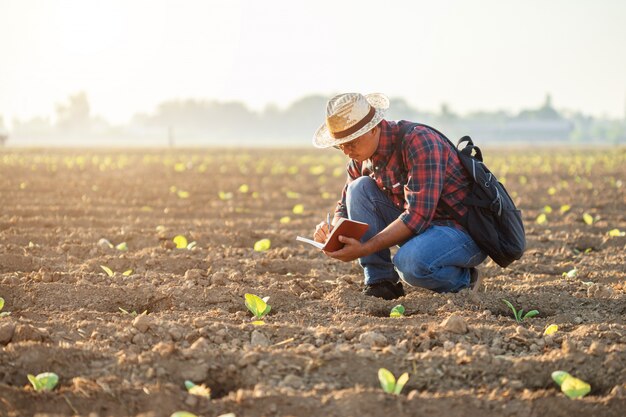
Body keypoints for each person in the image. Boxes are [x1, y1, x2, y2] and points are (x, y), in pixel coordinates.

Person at [311, 92, 487, 300]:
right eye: (341, 145)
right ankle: (381, 282)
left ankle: (463, 279)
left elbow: (417, 217)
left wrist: (365, 248)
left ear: (373, 128)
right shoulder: (359, 159)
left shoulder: (419, 142)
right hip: (423, 230)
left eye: (351, 143)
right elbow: (343, 209)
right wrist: (334, 234)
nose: (346, 151)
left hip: (461, 231)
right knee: (358, 188)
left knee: (410, 264)